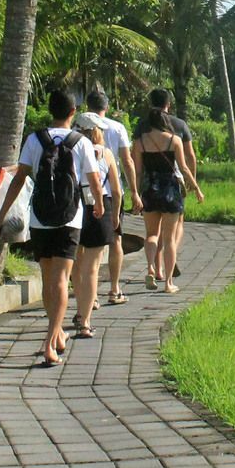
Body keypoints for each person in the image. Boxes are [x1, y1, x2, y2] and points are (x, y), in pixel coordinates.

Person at [0, 88, 105, 367]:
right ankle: (50, 340)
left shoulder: (34, 139)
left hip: (39, 218)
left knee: (47, 280)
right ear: (73, 112)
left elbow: (19, 179)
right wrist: (99, 206)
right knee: (61, 280)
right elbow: (92, 179)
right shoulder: (81, 142)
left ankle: (55, 335)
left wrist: (1, 215)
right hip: (70, 218)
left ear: (50, 110)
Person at [133, 101, 203, 293]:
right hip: (170, 189)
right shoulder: (174, 140)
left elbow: (138, 172)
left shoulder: (139, 143)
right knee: (169, 238)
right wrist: (196, 188)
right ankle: (168, 283)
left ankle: (150, 268)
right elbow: (184, 167)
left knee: (151, 234)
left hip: (150, 189)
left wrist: (136, 193)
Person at [68, 110, 126, 338]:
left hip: (74, 207)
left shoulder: (70, 150)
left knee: (76, 264)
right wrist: (115, 215)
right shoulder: (106, 154)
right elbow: (116, 190)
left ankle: (80, 310)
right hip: (99, 207)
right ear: (95, 132)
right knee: (92, 267)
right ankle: (85, 319)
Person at [84, 89, 140, 306]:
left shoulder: (79, 128)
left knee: (85, 246)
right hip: (111, 189)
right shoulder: (117, 128)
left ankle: (91, 293)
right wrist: (134, 190)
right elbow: (127, 161)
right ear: (106, 107)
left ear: (87, 107)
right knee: (116, 238)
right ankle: (114, 288)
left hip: (85, 192)